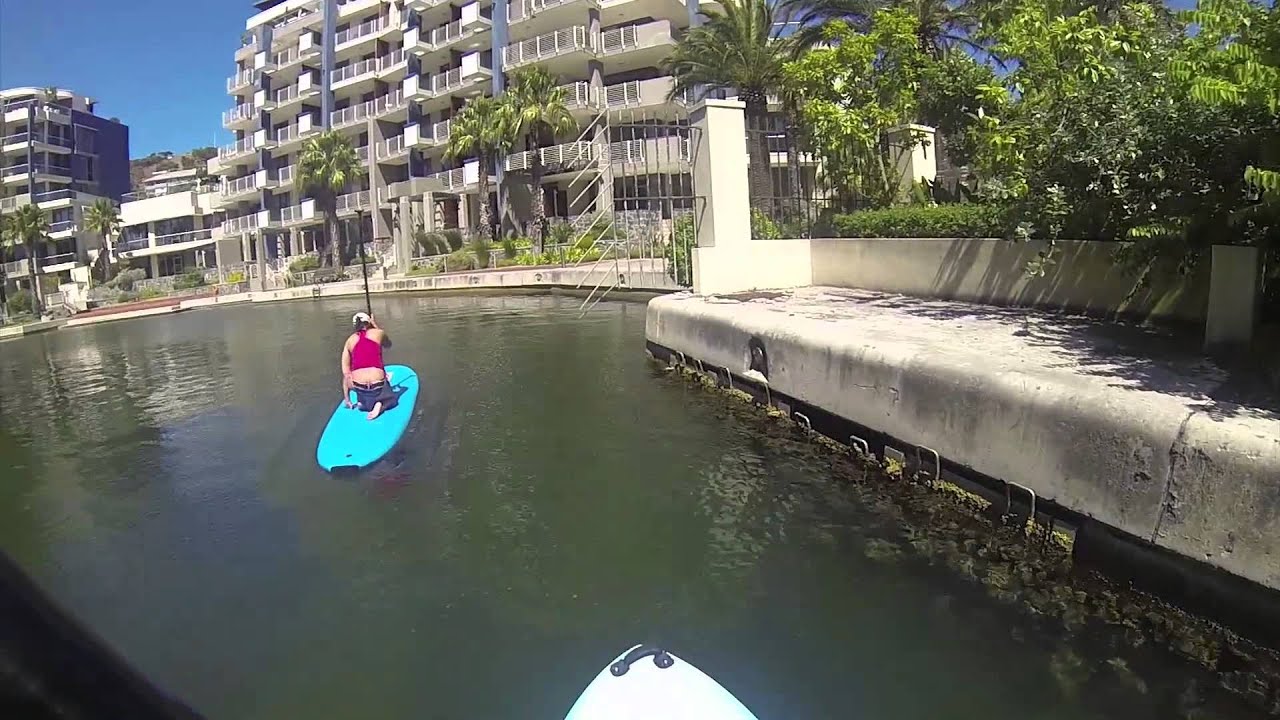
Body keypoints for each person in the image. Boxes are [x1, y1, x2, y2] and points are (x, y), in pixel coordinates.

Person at [341, 311, 397, 420]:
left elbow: (346, 372)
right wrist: (375, 325)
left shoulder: (349, 341)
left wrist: (347, 398)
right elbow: (388, 345)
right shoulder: (378, 333)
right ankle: (382, 404)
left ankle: (353, 402)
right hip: (378, 384)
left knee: (347, 377)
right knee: (392, 399)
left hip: (359, 385)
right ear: (369, 323)